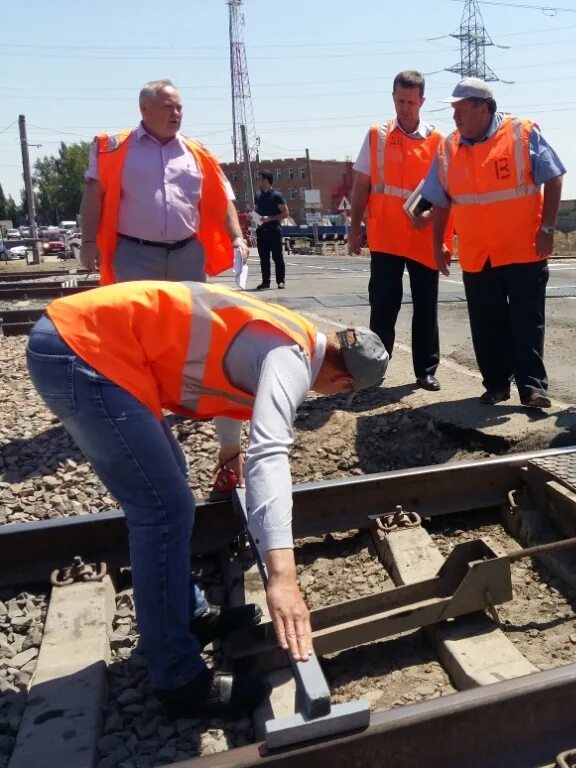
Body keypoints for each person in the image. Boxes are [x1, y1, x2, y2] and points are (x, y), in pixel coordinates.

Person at [25, 281, 389, 719]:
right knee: (162, 511)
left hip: (89, 342)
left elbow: (231, 373)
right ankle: (177, 678)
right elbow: (270, 454)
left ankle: (188, 613)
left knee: (170, 482)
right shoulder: (290, 360)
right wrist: (282, 577)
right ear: (343, 382)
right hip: (84, 352)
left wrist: (227, 450)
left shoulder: (291, 332)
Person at [421, 77, 566, 408]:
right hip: (477, 254)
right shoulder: (448, 147)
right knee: (487, 325)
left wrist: (548, 227)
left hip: (523, 250)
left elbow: (554, 176)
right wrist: (439, 243)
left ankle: (532, 387)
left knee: (526, 322)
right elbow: (439, 201)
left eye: (461, 111)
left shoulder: (521, 133)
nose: (455, 118)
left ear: (483, 109)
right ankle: (497, 385)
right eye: (453, 112)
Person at [77, 79, 248, 286]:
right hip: (135, 255)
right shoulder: (113, 148)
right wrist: (88, 242)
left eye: (179, 108)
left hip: (188, 255)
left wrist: (237, 238)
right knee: (142, 317)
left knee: (187, 316)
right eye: (168, 107)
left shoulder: (198, 152)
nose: (175, 113)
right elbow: (93, 196)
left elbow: (222, 199)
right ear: (144, 109)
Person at [349, 71, 452, 392]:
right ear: (392, 98)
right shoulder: (376, 136)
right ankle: (375, 367)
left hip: (422, 239)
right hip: (386, 238)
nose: (404, 108)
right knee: (383, 304)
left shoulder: (438, 141)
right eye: (399, 101)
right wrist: (354, 228)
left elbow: (444, 188)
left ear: (422, 101)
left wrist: (423, 212)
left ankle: (425, 370)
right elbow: (361, 185)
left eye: (410, 102)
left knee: (426, 306)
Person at [253, 171, 289, 290]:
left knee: (277, 257)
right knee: (264, 258)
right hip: (262, 231)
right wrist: (252, 216)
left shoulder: (277, 196)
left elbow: (285, 213)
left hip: (274, 230)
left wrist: (270, 218)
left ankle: (281, 281)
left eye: (260, 179)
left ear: (266, 181)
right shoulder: (258, 196)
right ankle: (265, 281)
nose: (259, 182)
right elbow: (257, 212)